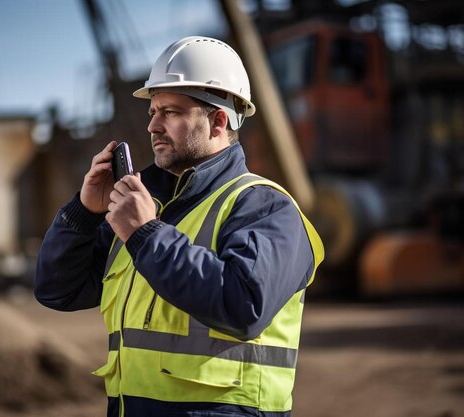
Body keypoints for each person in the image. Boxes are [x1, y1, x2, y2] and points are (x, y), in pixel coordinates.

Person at [35, 36, 324, 417]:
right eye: (153, 111)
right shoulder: (145, 208)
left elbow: (244, 306)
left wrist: (145, 235)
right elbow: (57, 291)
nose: (153, 125)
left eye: (171, 112)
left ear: (218, 121)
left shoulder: (265, 206)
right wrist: (84, 212)